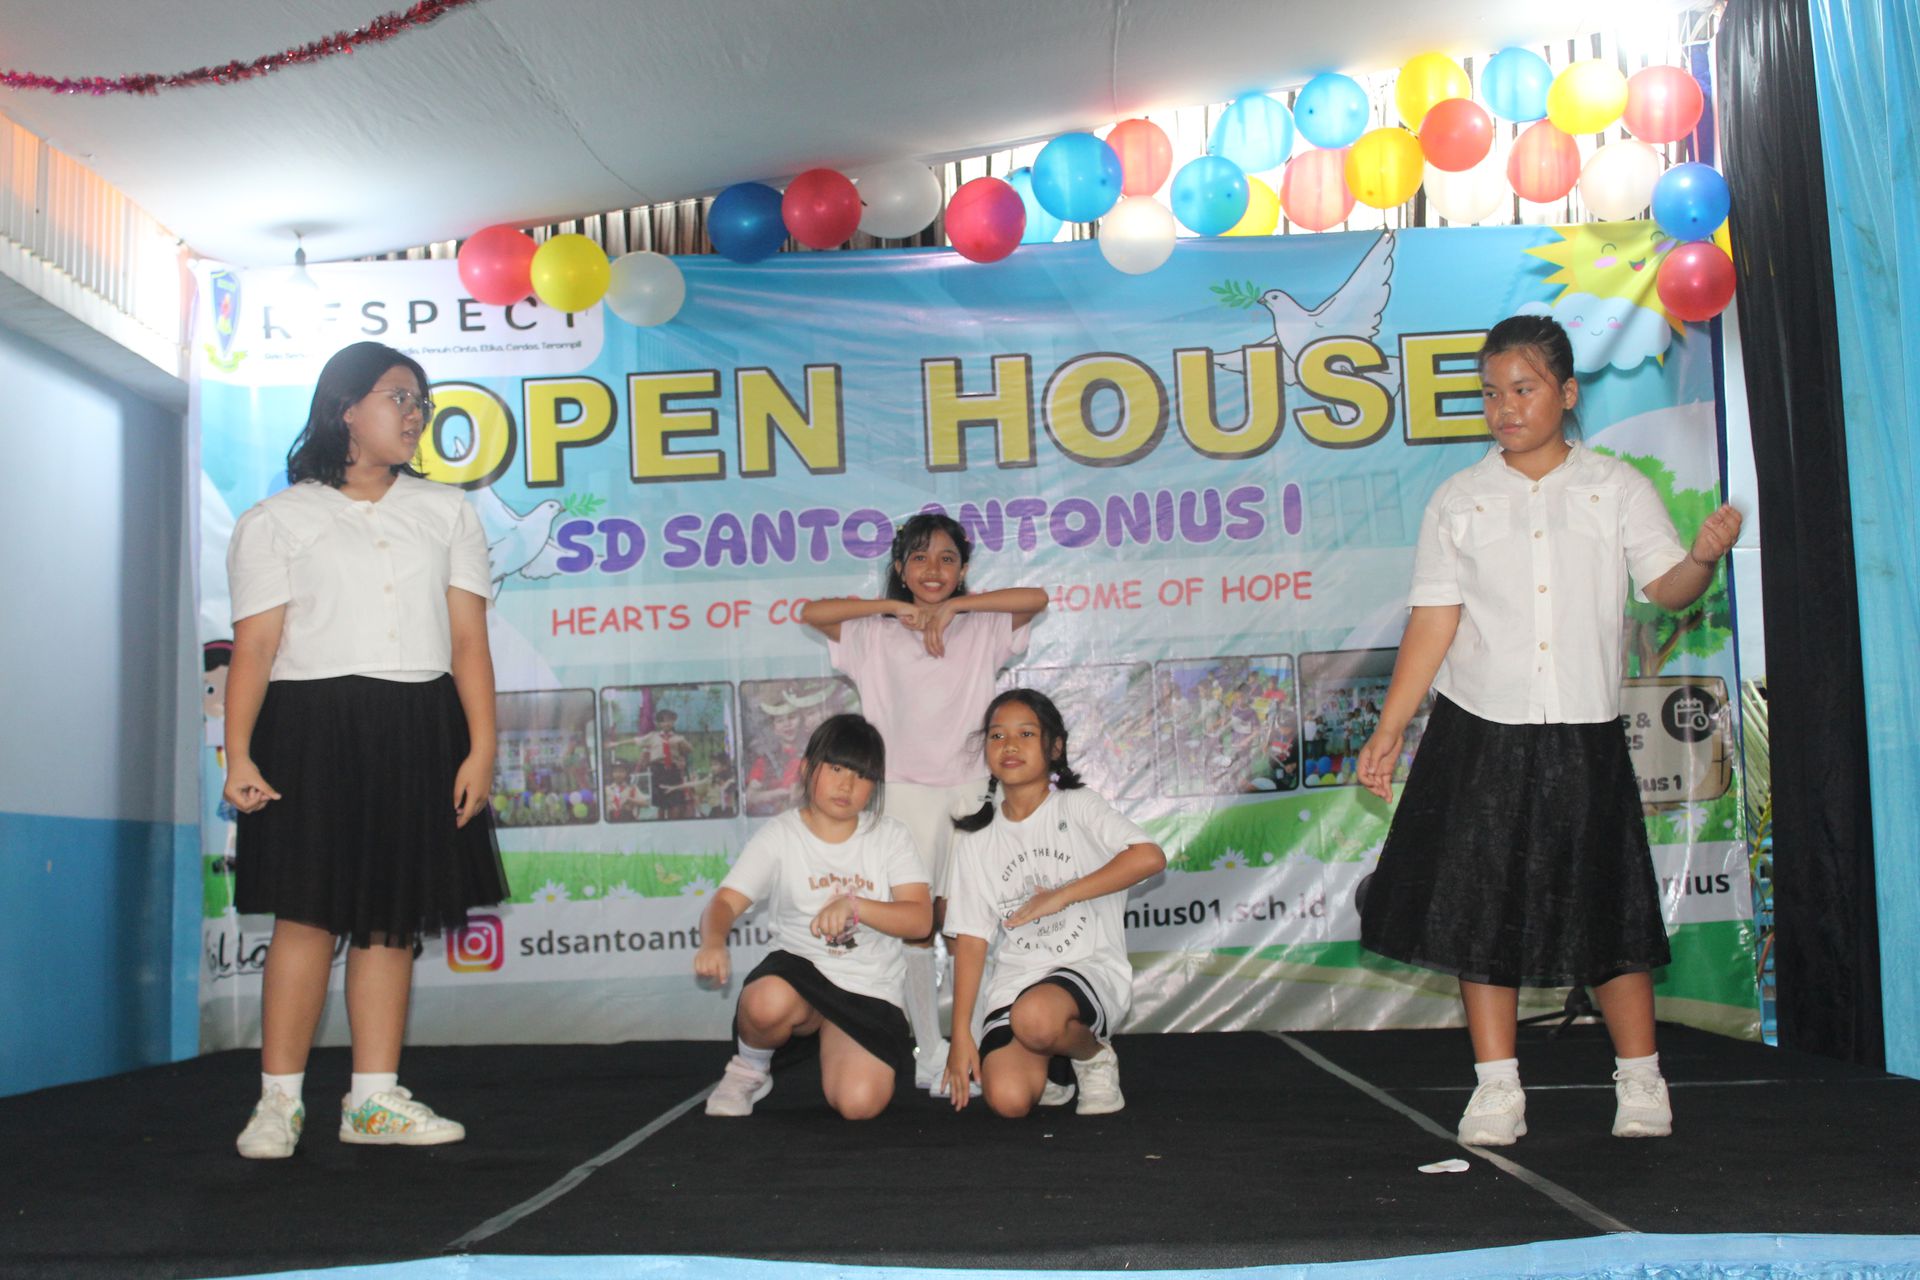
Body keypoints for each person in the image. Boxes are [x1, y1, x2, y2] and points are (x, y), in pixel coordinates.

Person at [1355, 314, 1742, 1147]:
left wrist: (1704, 556)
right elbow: (1434, 617)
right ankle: (1498, 1086)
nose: (1505, 407)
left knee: (1608, 906)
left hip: (1582, 730)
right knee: (1478, 910)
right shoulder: (1459, 498)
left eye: (1523, 389)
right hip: (1478, 729)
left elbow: (1668, 587)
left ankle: (1640, 1077)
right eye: (1491, 393)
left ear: (1566, 393)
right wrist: (1391, 726)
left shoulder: (1616, 486)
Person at [223, 341, 506, 1159]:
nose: (415, 415)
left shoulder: (446, 511)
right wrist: (238, 755)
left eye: (421, 401)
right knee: (307, 915)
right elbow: (255, 648)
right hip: (310, 727)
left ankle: (373, 1100)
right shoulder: (277, 519)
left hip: (419, 724)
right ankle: (279, 1103)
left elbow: (468, 641)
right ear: (346, 408)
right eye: (398, 397)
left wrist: (481, 748)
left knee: (391, 918)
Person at [801, 513, 1047, 1094]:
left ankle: (974, 1045)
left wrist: (957, 607)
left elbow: (1037, 598)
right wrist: (894, 609)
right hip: (903, 794)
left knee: (967, 925)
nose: (933, 570)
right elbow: (812, 613)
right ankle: (930, 1053)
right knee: (914, 926)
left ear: (963, 569)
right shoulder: (872, 632)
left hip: (969, 791)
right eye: (918, 558)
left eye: (947, 559)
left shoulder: (982, 624)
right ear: (899, 567)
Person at [693, 714, 931, 1119]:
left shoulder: (891, 836)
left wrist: (855, 906)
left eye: (861, 775)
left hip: (868, 987)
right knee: (766, 1002)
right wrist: (713, 943)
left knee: (859, 1105)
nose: (846, 785)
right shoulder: (781, 834)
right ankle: (749, 1070)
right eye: (836, 768)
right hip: (799, 978)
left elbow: (920, 921)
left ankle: (836, 1038)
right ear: (806, 769)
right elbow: (724, 903)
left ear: (875, 786)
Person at [942, 689, 1166, 1117]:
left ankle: (1092, 1056)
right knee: (1007, 1100)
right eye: (997, 736)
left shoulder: (1077, 806)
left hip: (1087, 967)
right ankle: (1054, 1066)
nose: (1009, 745)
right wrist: (961, 1035)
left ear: (1055, 746)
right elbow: (970, 939)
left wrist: (1060, 896)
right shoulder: (976, 841)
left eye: (1025, 734)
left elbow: (1149, 857)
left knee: (1036, 1018)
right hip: (1018, 983)